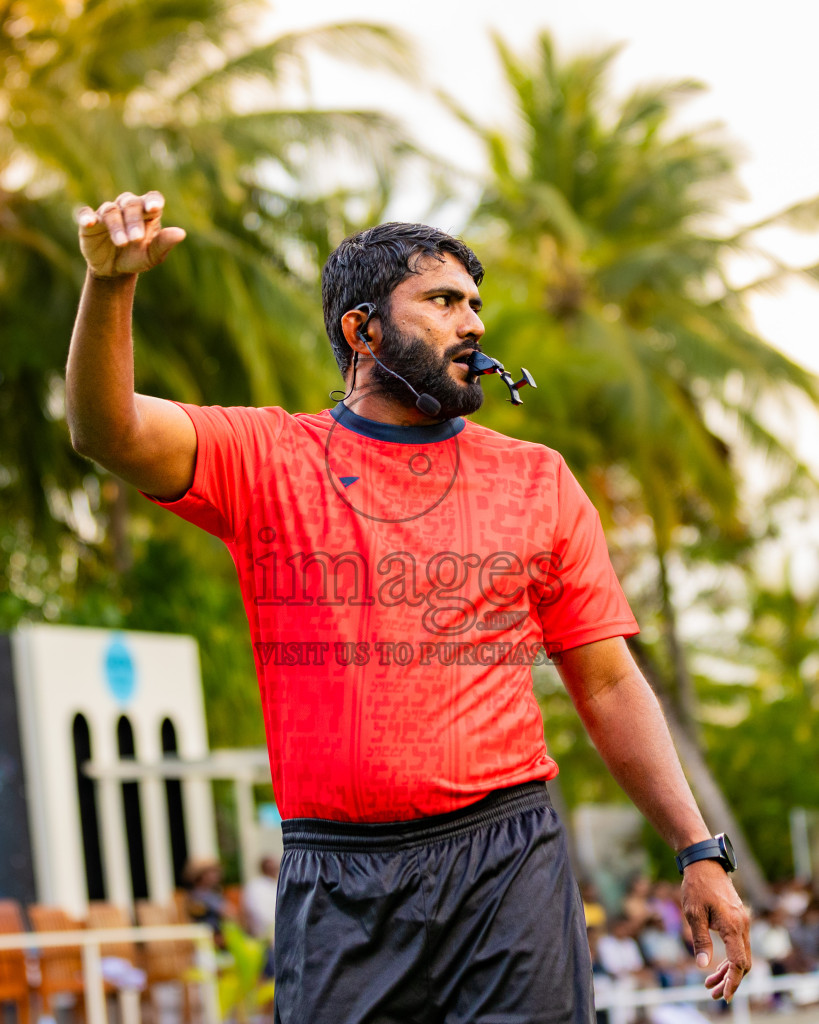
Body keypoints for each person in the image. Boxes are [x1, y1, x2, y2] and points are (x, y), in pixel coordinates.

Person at [66, 190, 752, 1024]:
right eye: (441, 301)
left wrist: (697, 848)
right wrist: (109, 285)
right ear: (362, 331)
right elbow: (109, 431)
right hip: (336, 875)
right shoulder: (269, 457)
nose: (471, 324)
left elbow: (606, 683)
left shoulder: (538, 479)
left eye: (474, 304)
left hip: (507, 864)